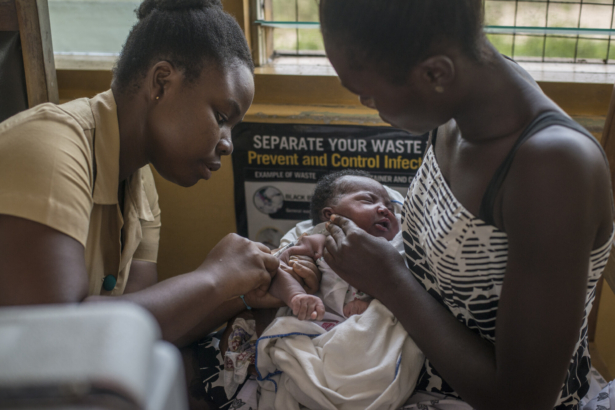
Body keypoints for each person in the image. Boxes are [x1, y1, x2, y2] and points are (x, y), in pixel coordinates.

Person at [0, 1, 319, 409]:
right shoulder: (50, 149)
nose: (227, 143)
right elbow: (58, 346)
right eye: (221, 115)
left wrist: (240, 294)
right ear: (162, 82)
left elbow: (147, 329)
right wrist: (214, 278)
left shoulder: (139, 183)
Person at [316, 1, 614, 410]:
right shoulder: (456, 108)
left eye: (367, 93)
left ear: (435, 73)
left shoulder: (551, 169)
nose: (368, 104)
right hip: (411, 370)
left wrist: (388, 278)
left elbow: (522, 401)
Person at [269, 169, 400, 321]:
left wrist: (373, 304)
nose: (384, 210)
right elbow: (279, 269)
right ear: (331, 216)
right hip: (318, 321)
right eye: (368, 201)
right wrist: (296, 295)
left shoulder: (396, 249)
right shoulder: (320, 241)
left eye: (390, 208)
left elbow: (406, 292)